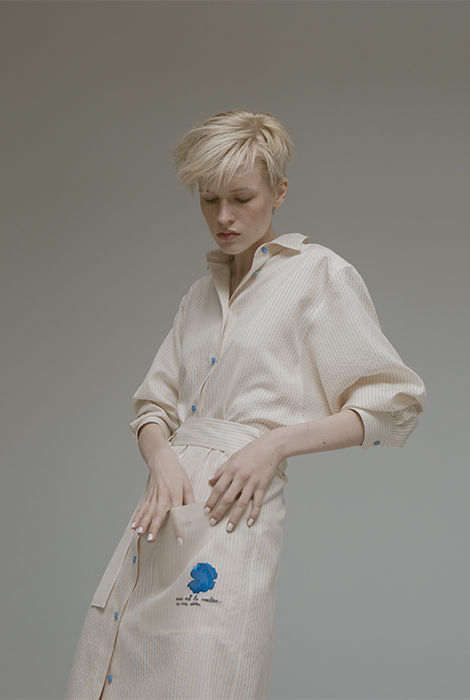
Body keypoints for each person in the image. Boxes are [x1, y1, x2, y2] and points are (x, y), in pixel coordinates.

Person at [66, 110, 425, 700]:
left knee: (207, 673)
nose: (223, 218)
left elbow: (395, 403)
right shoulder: (198, 297)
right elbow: (152, 406)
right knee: (122, 663)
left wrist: (272, 445)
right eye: (209, 200)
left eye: (241, 198)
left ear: (279, 192)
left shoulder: (318, 275)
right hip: (162, 510)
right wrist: (160, 459)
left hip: (233, 510)